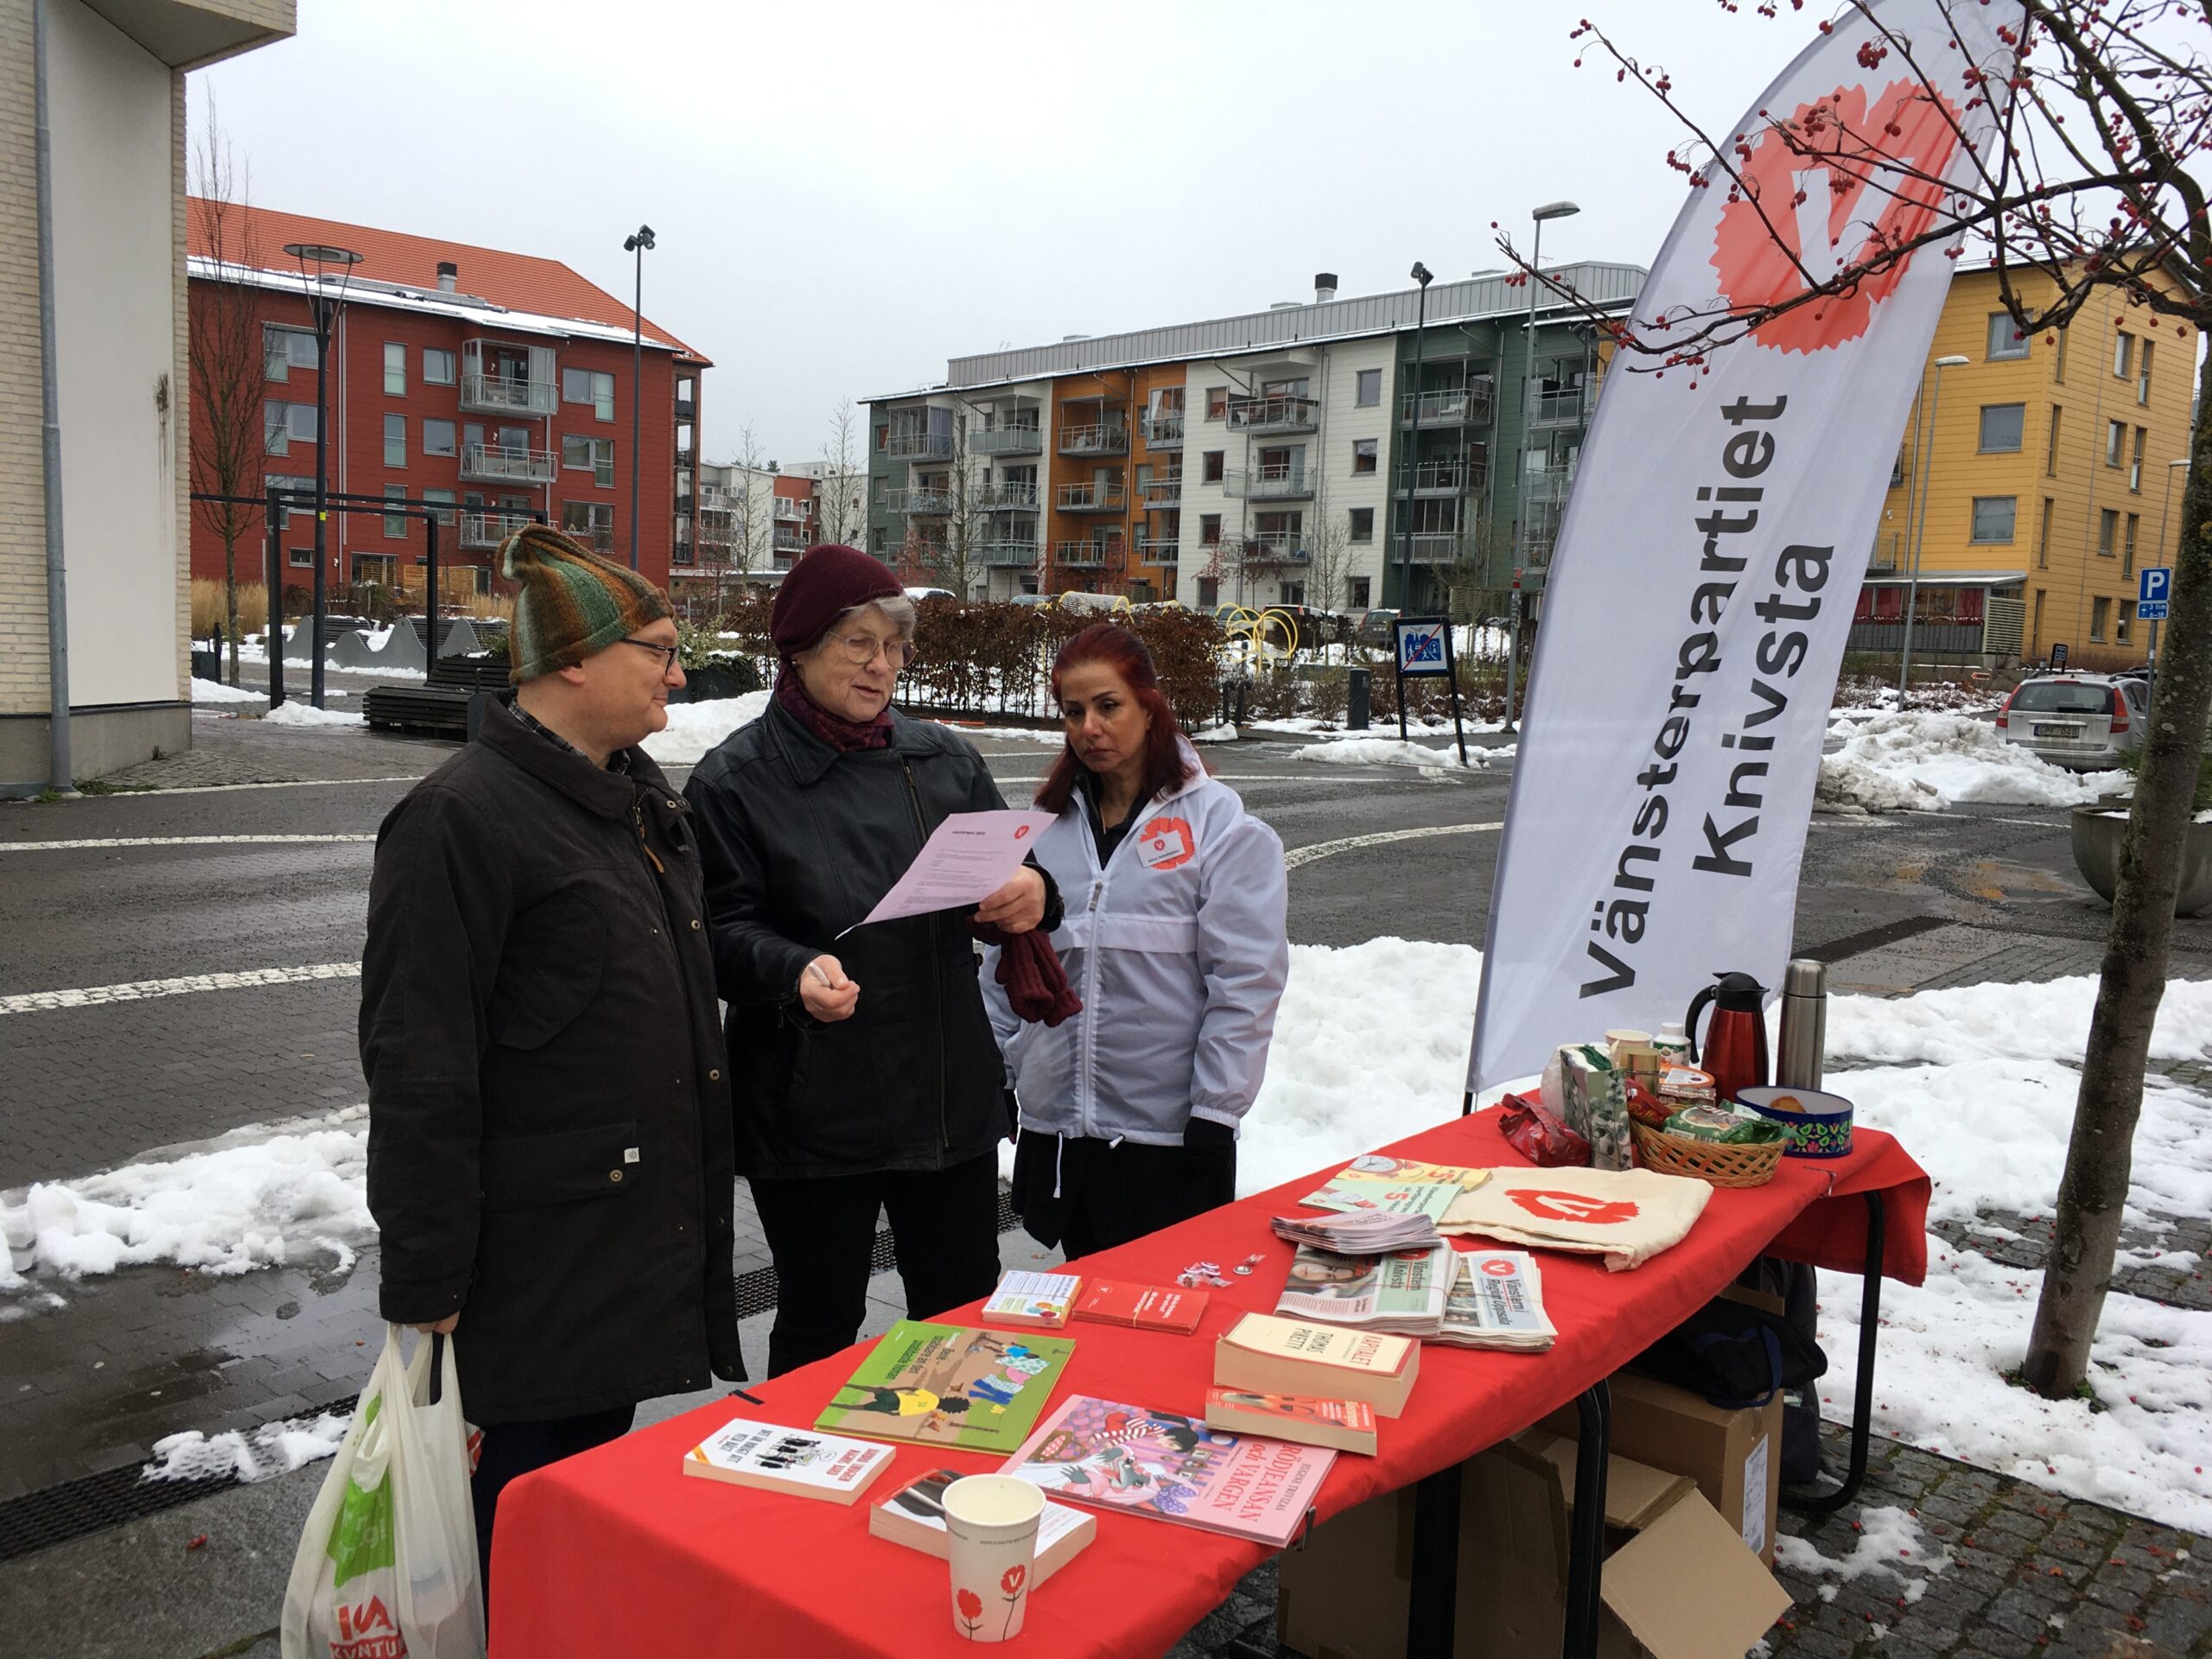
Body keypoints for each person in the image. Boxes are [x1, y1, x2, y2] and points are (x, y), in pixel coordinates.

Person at [360, 525, 744, 1598]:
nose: (679, 671)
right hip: (533, 1280)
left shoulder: (634, 796)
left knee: (568, 1525)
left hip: (616, 1248)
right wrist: (427, 1278)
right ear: (573, 659)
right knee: (507, 1536)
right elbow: (419, 1064)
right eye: (658, 649)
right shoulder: (457, 819)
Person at [684, 544, 1061, 1376]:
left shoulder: (943, 758)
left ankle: (955, 1482)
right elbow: (713, 931)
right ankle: (800, 1492)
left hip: (944, 1093)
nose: (883, 665)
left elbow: (1017, 871)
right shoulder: (734, 781)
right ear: (802, 647)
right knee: (821, 1317)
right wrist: (790, 969)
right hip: (815, 1098)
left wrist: (1033, 893)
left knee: (963, 1312)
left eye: (893, 645)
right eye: (859, 643)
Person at [985, 623, 1288, 1258]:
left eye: (1107, 706)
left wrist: (1216, 1110)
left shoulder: (1221, 828)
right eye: (1073, 712)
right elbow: (1002, 964)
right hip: (1063, 1135)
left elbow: (1245, 983)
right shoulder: (1042, 832)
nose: (1088, 727)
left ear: (1150, 706)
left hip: (1168, 1142)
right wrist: (1002, 1067)